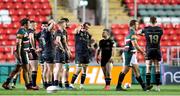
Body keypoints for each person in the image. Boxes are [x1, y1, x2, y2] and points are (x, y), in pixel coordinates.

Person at [116, 20, 152, 91]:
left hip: (132, 54)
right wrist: (143, 52)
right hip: (128, 54)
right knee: (125, 70)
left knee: (137, 70)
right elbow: (135, 44)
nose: (137, 26)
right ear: (133, 25)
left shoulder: (132, 32)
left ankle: (144, 86)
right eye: (137, 24)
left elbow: (137, 34)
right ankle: (118, 86)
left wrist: (142, 33)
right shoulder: (132, 33)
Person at [2, 18, 35, 90]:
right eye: (29, 23)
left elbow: (25, 43)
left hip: (24, 52)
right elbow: (18, 43)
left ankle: (6, 83)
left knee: (17, 70)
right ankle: (28, 86)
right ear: (25, 24)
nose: (30, 24)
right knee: (26, 69)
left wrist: (29, 51)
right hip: (22, 52)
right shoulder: (21, 31)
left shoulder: (25, 31)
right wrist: (19, 55)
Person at [140, 16, 163, 91]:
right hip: (157, 49)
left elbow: (138, 32)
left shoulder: (146, 29)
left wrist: (144, 35)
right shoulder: (160, 29)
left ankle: (148, 87)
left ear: (149, 21)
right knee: (157, 68)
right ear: (156, 21)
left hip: (149, 50)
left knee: (148, 68)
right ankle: (158, 87)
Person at [70, 22, 92, 89]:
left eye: (88, 27)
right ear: (84, 26)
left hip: (86, 53)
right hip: (79, 52)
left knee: (84, 69)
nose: (88, 27)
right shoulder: (78, 31)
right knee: (79, 68)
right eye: (87, 26)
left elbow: (89, 41)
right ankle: (71, 84)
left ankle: (82, 85)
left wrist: (89, 47)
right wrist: (80, 26)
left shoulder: (88, 34)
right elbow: (74, 32)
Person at [54, 20, 69, 89]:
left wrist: (67, 49)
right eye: (64, 23)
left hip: (63, 52)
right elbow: (58, 41)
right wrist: (62, 48)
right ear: (60, 24)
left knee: (62, 69)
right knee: (58, 68)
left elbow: (65, 42)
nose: (66, 24)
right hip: (59, 51)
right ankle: (55, 84)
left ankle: (60, 84)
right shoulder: (58, 31)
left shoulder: (65, 32)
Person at [41, 20, 56, 88]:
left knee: (45, 70)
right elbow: (51, 26)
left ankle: (45, 83)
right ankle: (49, 84)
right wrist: (52, 21)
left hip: (45, 52)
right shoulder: (46, 31)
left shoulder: (42, 33)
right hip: (49, 52)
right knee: (50, 70)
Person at [59, 18, 72, 89]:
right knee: (61, 68)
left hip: (65, 52)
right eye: (68, 22)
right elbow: (62, 42)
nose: (69, 24)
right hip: (62, 52)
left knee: (66, 68)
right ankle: (60, 84)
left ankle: (66, 84)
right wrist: (67, 50)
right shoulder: (60, 31)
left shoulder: (64, 31)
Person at [28, 20, 39, 89]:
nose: (36, 26)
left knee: (28, 69)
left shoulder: (27, 31)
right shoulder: (31, 32)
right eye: (35, 25)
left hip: (27, 51)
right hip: (31, 51)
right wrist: (34, 47)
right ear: (32, 25)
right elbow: (31, 38)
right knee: (34, 68)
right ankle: (34, 85)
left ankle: (30, 84)